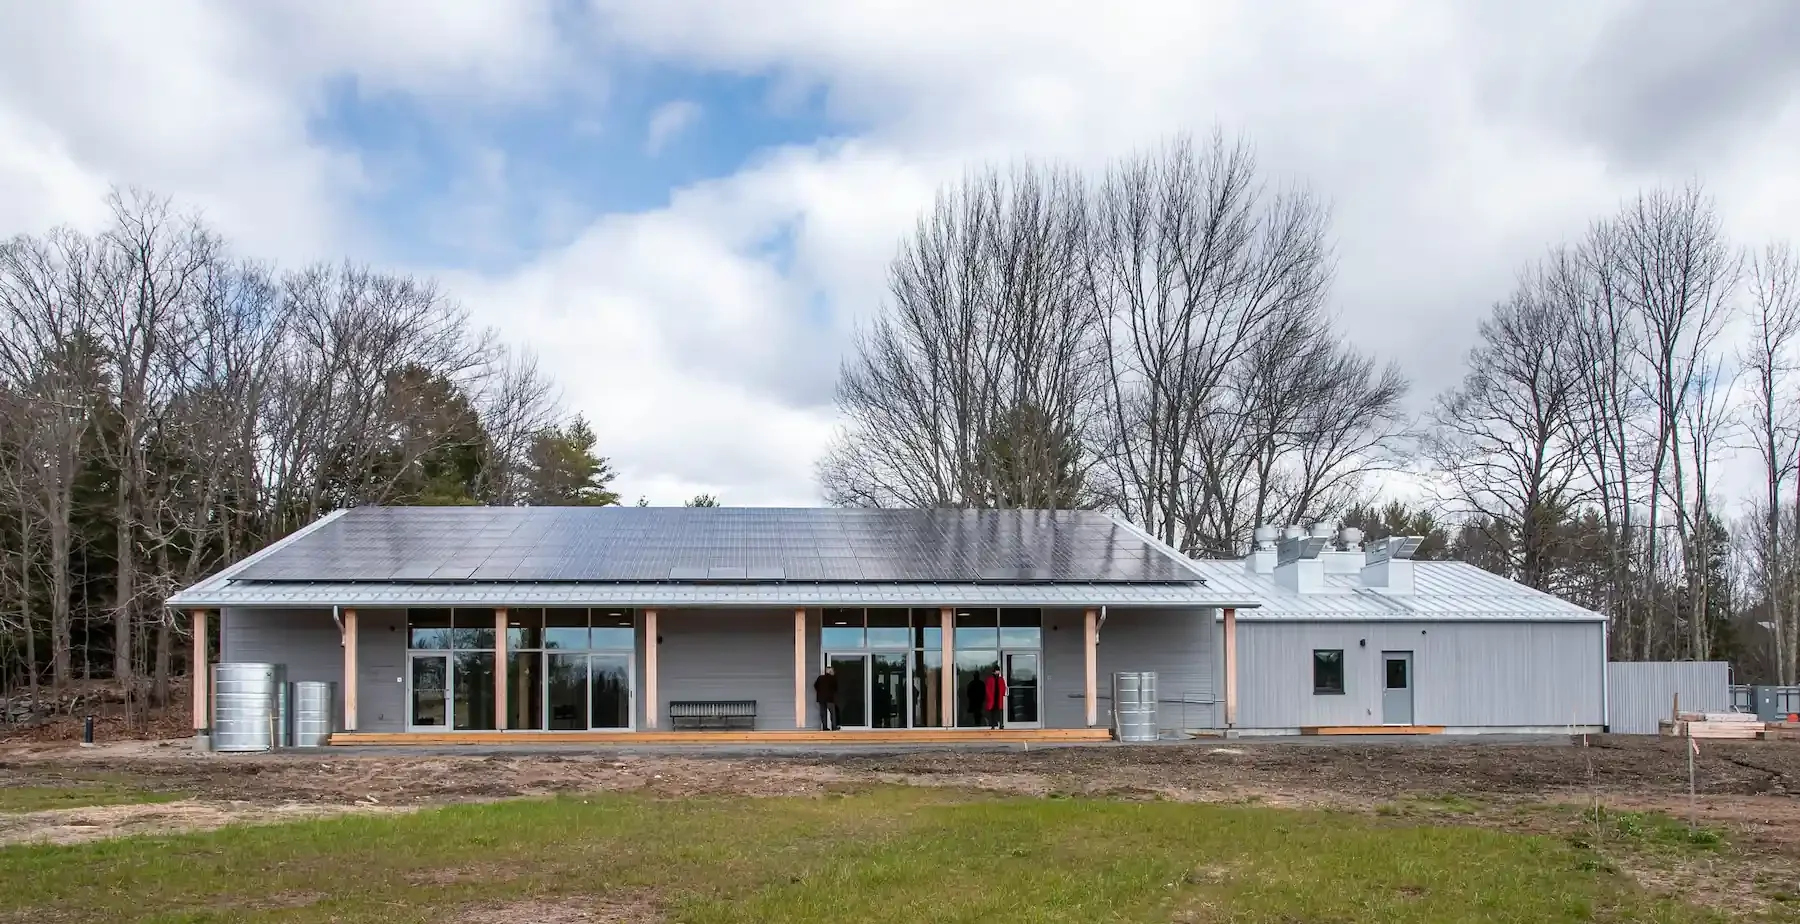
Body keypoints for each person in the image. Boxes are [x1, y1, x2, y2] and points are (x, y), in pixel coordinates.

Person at [813, 666, 839, 731]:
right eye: (832, 671)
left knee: (823, 713)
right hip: (829, 698)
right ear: (830, 671)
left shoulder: (820, 678)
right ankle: (834, 727)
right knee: (832, 713)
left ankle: (825, 727)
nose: (833, 672)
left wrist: (820, 692)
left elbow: (815, 686)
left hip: (821, 698)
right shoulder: (833, 678)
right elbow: (836, 688)